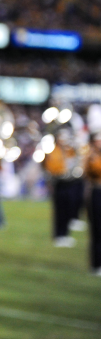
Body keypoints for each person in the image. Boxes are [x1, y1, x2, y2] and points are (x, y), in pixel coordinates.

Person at [43, 126, 84, 247]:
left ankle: (65, 234)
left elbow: (78, 156)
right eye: (62, 137)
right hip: (60, 183)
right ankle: (59, 235)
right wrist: (61, 170)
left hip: (69, 182)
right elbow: (52, 168)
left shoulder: (69, 150)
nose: (64, 140)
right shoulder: (54, 151)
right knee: (60, 210)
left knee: (68, 208)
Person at [86, 104, 101, 276]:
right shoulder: (91, 155)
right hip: (97, 192)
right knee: (97, 230)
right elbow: (95, 170)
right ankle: (96, 264)